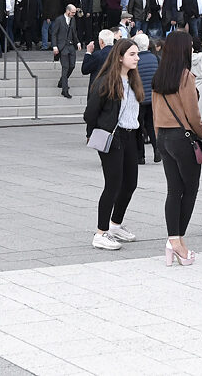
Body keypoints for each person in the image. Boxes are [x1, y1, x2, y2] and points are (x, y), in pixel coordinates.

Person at [152, 31, 202, 266]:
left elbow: (154, 111)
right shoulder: (186, 77)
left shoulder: (160, 75)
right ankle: (176, 242)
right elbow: (193, 114)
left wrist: (159, 137)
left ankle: (175, 240)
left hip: (164, 136)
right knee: (191, 189)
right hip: (182, 137)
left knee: (174, 190)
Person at [83, 39, 144, 250]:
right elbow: (90, 113)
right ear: (119, 57)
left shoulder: (133, 81)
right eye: (132, 54)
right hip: (112, 137)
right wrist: (94, 132)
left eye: (137, 54)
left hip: (130, 136)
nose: (137, 58)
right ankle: (101, 233)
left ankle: (115, 225)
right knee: (113, 185)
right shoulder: (106, 82)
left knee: (130, 183)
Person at [134, 33, 159, 165]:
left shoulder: (136, 60)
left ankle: (141, 156)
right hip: (153, 97)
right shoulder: (155, 58)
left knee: (139, 127)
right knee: (151, 125)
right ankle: (157, 150)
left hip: (139, 98)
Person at [51, 3, 79, 99]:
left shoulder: (73, 20)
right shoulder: (59, 20)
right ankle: (65, 90)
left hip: (71, 46)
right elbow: (54, 34)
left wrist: (78, 42)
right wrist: (54, 46)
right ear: (67, 11)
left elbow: (74, 32)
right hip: (62, 47)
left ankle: (61, 82)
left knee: (72, 66)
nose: (74, 14)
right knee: (65, 67)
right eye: (72, 12)